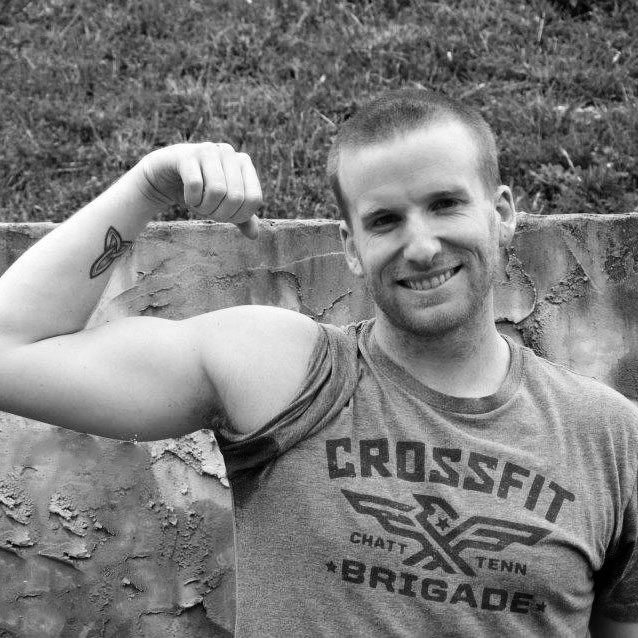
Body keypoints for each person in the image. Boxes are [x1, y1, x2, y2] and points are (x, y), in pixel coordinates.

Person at [0, 89, 635, 637]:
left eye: (446, 204)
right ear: (351, 248)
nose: (420, 246)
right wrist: (148, 186)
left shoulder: (610, 438)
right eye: (385, 221)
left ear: (503, 214)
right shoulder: (286, 377)